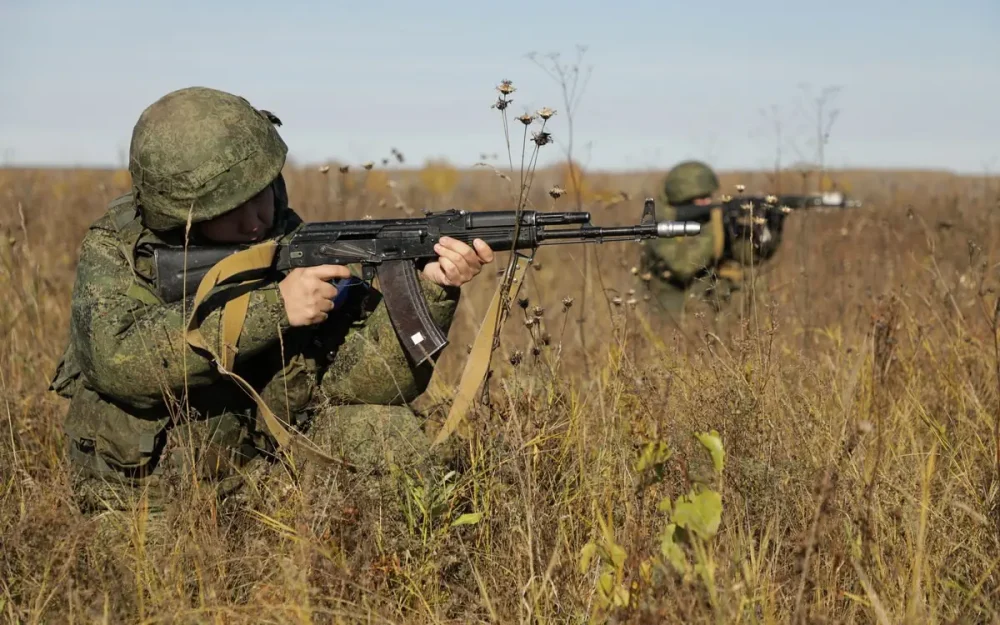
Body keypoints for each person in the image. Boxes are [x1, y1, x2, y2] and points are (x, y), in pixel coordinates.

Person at [48, 86, 495, 520]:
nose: (256, 219)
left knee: (388, 433)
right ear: (182, 215)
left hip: (265, 462)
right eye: (230, 209)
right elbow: (119, 363)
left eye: (260, 194)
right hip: (151, 483)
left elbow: (365, 389)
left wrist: (430, 288)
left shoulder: (288, 237)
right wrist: (275, 308)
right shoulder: (120, 249)